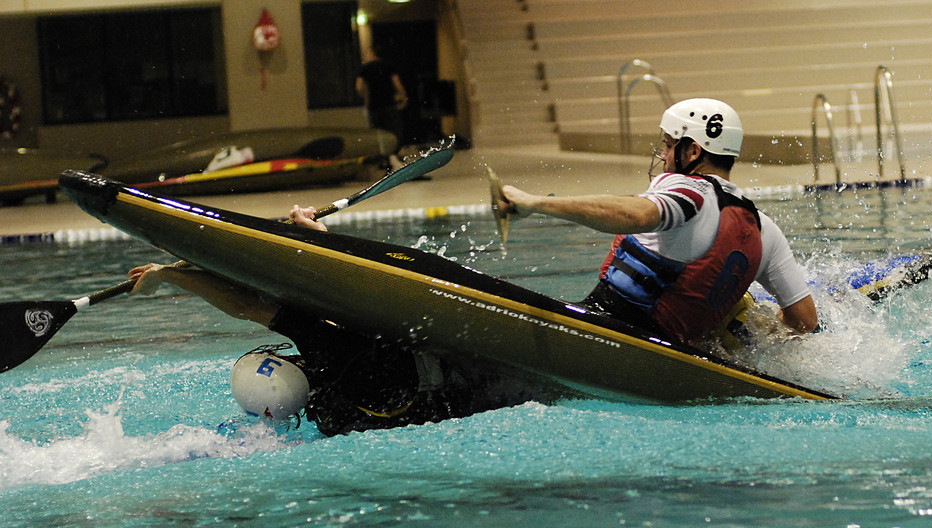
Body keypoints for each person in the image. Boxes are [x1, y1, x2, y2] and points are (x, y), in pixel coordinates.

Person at [127, 206, 507, 436]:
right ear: (289, 365)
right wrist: (170, 275)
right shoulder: (330, 352)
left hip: (446, 408)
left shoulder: (328, 418)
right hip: (478, 383)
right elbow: (249, 304)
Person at [495, 98, 818, 346]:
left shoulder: (688, 188)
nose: (663, 155)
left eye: (667, 144)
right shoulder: (765, 230)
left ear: (692, 151)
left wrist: (534, 203)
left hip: (612, 330)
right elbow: (805, 322)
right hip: (678, 357)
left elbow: (635, 214)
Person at [356, 45, 408, 166]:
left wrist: (365, 99)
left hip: (374, 106)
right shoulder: (388, 67)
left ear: (373, 54)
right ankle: (398, 157)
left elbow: (359, 87)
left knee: (378, 134)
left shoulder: (365, 69)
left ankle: (384, 161)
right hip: (389, 104)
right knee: (394, 132)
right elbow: (397, 84)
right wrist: (404, 97)